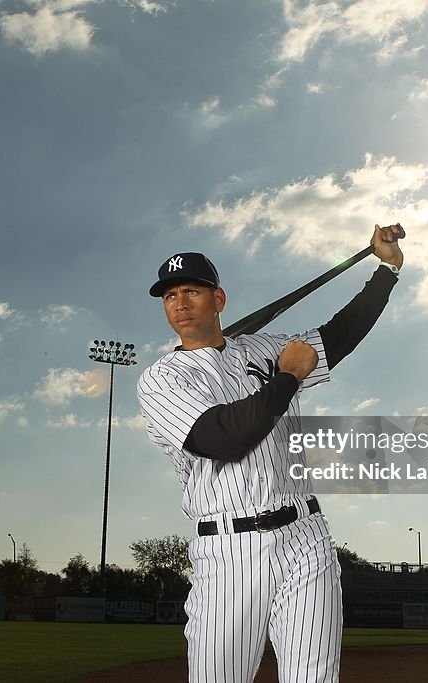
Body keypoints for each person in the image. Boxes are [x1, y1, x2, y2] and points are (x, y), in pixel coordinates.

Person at [137, 224, 404, 683]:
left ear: (218, 300)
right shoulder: (162, 380)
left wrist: (386, 272)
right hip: (229, 550)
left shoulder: (262, 348)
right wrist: (287, 379)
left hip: (305, 535)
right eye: (170, 295)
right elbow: (223, 438)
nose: (179, 303)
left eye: (192, 291)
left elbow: (335, 337)